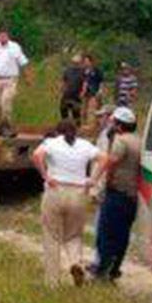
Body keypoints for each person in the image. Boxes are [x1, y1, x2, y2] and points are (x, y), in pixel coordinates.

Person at [31, 119, 108, 287]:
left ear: (58, 132)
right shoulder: (85, 145)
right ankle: (75, 263)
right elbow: (104, 158)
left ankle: (52, 282)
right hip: (78, 193)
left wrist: (45, 176)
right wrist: (93, 180)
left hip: (56, 191)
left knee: (52, 236)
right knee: (73, 235)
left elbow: (37, 156)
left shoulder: (51, 142)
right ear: (76, 132)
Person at [92, 106, 141, 282]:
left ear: (119, 125)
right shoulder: (138, 141)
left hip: (117, 193)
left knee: (106, 232)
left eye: (113, 122)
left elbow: (110, 163)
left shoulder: (121, 141)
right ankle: (114, 271)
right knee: (122, 235)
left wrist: (101, 182)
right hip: (132, 196)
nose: (111, 124)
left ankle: (101, 271)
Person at [0, 30, 30, 137]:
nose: (2, 38)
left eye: (4, 36)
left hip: (10, 79)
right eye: (0, 36)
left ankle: (8, 127)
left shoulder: (14, 47)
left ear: (8, 36)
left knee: (5, 102)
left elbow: (23, 62)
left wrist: (27, 77)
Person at [80, 55, 104, 134]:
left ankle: (92, 126)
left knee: (92, 109)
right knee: (84, 109)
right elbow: (85, 82)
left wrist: (100, 91)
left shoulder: (96, 70)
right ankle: (84, 125)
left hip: (94, 93)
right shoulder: (84, 71)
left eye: (87, 61)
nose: (86, 63)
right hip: (86, 93)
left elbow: (101, 81)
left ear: (91, 62)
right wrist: (83, 91)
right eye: (85, 61)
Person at [60, 54, 84, 125]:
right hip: (67, 93)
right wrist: (62, 89)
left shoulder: (82, 71)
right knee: (63, 110)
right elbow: (64, 81)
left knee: (76, 112)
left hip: (76, 94)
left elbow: (84, 82)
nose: (75, 64)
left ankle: (77, 127)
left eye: (77, 63)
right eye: (74, 62)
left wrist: (83, 92)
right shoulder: (67, 70)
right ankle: (65, 125)